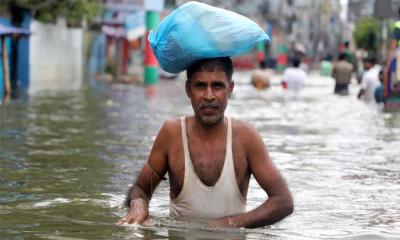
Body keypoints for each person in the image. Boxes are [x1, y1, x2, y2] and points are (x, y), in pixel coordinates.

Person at [118, 57, 294, 228]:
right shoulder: (171, 134)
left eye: (217, 86)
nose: (209, 96)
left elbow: (283, 201)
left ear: (230, 89)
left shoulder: (246, 138)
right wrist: (139, 206)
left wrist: (230, 223)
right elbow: (140, 188)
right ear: (188, 89)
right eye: (200, 86)